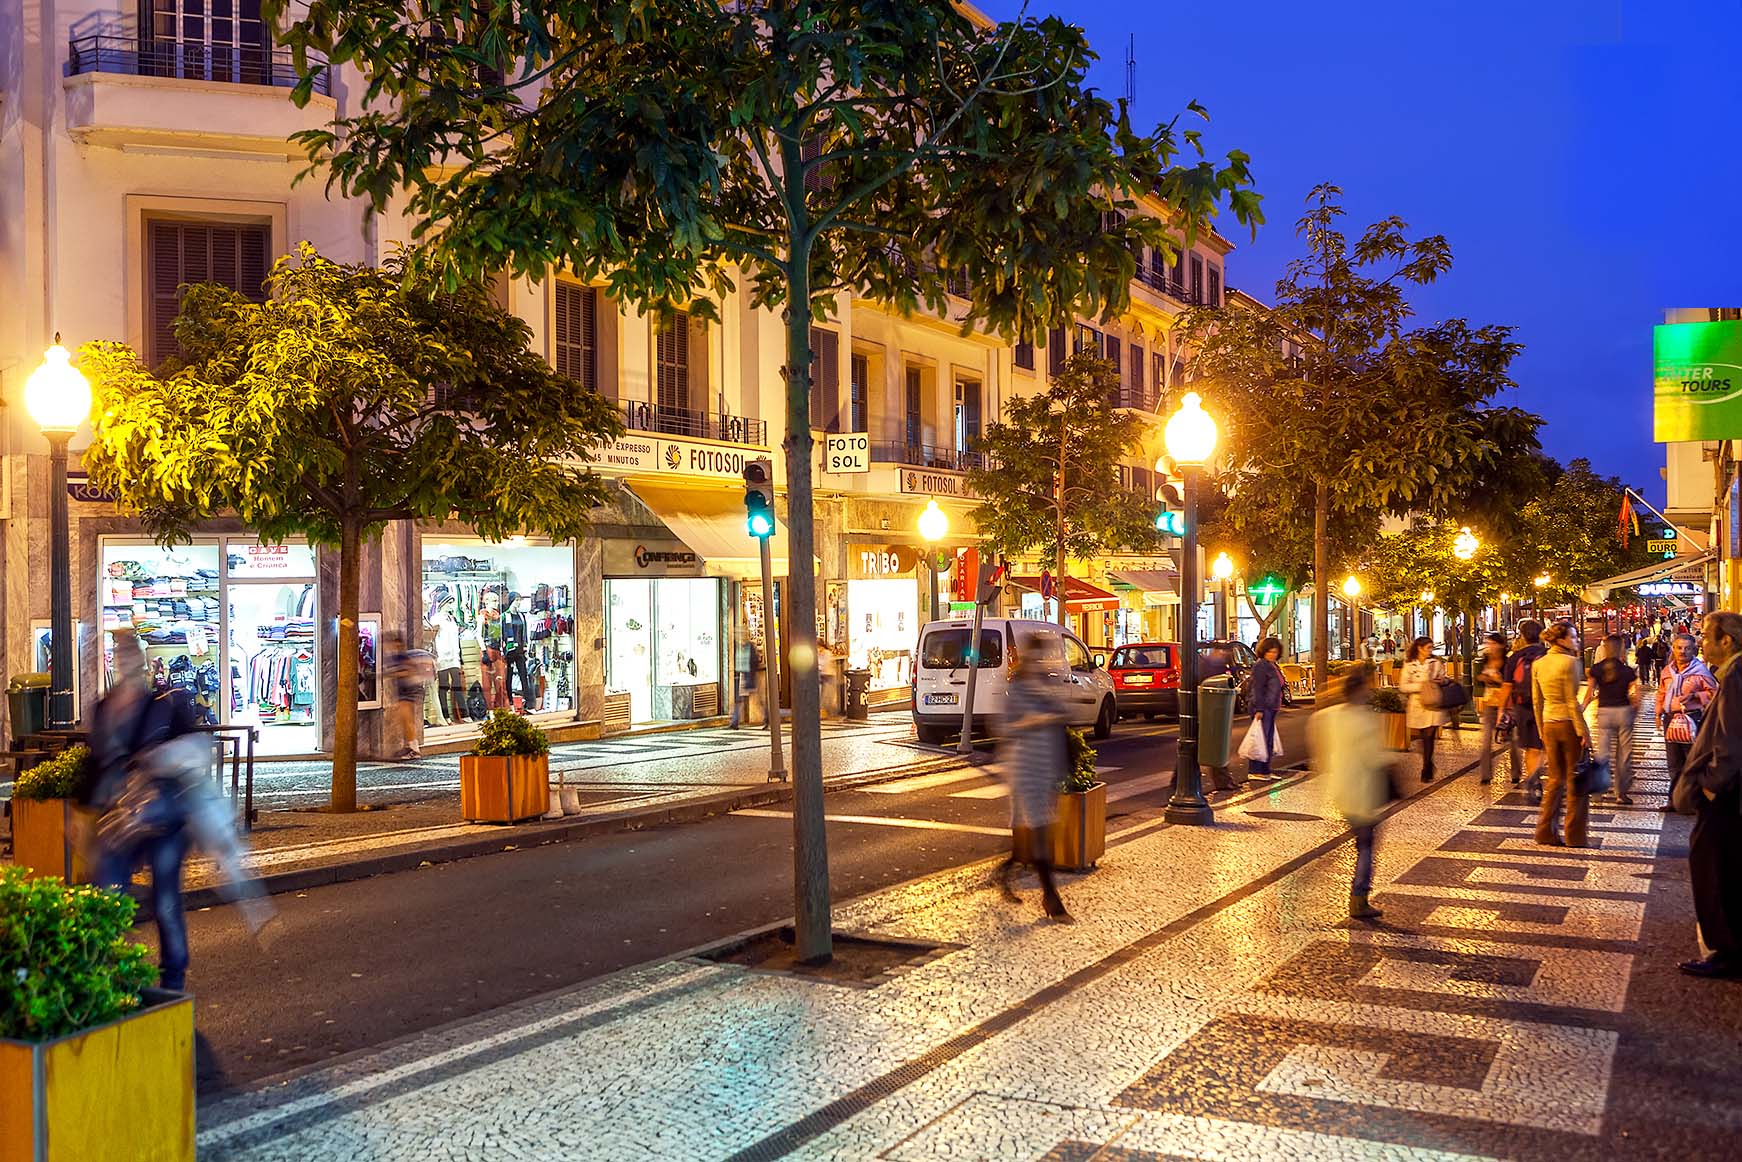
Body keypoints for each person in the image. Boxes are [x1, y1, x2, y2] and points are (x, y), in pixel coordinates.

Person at [86, 631, 203, 992]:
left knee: (166, 900)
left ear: (142, 660)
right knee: (107, 895)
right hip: (119, 816)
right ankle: (110, 973)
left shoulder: (166, 704)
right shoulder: (103, 709)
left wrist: (163, 759)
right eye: (119, 654)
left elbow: (195, 749)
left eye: (130, 653)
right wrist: (82, 813)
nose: (126, 660)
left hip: (165, 819)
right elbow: (95, 764)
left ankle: (173, 978)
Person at [1675, 612, 1742, 977]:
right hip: (1731, 792)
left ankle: (1727, 950)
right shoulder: (1731, 674)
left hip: (1727, 794)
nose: (1701, 642)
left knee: (1715, 869)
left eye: (1706, 636)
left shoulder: (1735, 676)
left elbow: (1731, 740)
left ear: (1726, 641)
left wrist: (1711, 787)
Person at [995, 631, 1071, 922]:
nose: (1039, 660)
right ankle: (1052, 899)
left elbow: (1061, 719)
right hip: (1026, 768)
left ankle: (1003, 874)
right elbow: (1003, 727)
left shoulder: (1044, 684)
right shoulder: (1015, 688)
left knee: (1032, 833)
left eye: (1043, 654)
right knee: (1040, 832)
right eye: (1037, 654)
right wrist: (1032, 721)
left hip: (1045, 767)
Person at [1312, 664, 1391, 920]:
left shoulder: (1328, 715)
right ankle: (1359, 898)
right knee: (1366, 846)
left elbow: (1319, 749)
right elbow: (1372, 757)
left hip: (1340, 787)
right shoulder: (1362, 719)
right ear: (1360, 690)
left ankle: (1356, 895)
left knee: (1362, 841)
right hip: (1362, 791)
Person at [1532, 623, 1592, 847]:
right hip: (1568, 724)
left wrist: (1541, 730)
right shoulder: (1571, 663)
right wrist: (1583, 731)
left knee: (1554, 781)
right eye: (1573, 637)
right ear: (1562, 640)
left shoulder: (1539, 663)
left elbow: (1536, 701)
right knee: (1576, 780)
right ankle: (1575, 835)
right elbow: (1571, 701)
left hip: (1548, 723)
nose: (1576, 641)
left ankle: (1545, 831)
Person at [1658, 632, 1717, 811]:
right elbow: (1661, 692)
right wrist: (1658, 713)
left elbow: (1714, 693)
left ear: (1694, 650)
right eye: (1678, 648)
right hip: (1671, 720)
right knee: (1674, 763)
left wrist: (1695, 696)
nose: (1682, 652)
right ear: (1673, 649)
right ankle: (1674, 800)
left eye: (1687, 648)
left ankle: (1693, 801)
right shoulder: (1667, 671)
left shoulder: (1701, 672)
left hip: (1692, 718)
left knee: (1691, 762)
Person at [1582, 633, 1640, 805]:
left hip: (1604, 712)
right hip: (1623, 711)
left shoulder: (1597, 669)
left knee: (1602, 754)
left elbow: (1589, 693)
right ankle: (1621, 793)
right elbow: (1635, 696)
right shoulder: (1627, 671)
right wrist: (1634, 711)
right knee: (1624, 754)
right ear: (1621, 648)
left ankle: (1597, 793)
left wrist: (1582, 708)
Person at [1500, 620, 1548, 793]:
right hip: (1543, 706)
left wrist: (1501, 710)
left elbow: (1506, 686)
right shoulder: (1546, 655)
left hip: (1522, 707)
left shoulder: (1515, 657)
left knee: (1530, 747)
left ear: (1522, 635)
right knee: (1541, 746)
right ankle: (1534, 778)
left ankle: (1532, 779)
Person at [1399, 636, 1449, 781]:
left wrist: (1442, 681)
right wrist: (1420, 686)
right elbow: (1403, 686)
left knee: (1429, 736)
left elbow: (1444, 679)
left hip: (1433, 705)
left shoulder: (1435, 663)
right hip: (1417, 705)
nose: (1430, 650)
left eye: (1431, 648)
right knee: (1423, 737)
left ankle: (1426, 769)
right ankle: (1428, 763)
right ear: (1419, 648)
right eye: (1428, 648)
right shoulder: (1409, 665)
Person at [384, 633, 436, 760]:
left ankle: (414, 749)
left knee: (407, 719)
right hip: (406, 690)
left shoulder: (402, 656)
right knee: (405, 719)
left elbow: (409, 670)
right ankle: (410, 746)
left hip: (409, 690)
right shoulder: (398, 656)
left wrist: (389, 674)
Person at [1245, 637, 1286, 779]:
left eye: (1275, 652)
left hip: (1272, 706)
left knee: (1267, 739)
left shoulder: (1273, 665)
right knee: (1260, 739)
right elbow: (1258, 689)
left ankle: (1265, 770)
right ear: (1264, 651)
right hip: (1264, 707)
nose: (1273, 654)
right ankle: (1256, 770)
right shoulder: (1261, 666)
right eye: (1270, 652)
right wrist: (1259, 709)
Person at [1475, 632, 1509, 785]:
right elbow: (1479, 679)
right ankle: (1485, 775)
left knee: (1512, 741)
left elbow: (1510, 683)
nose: (1490, 646)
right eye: (1488, 643)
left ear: (1501, 645)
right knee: (1486, 740)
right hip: (1489, 703)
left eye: (1493, 643)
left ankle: (1516, 772)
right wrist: (1484, 678)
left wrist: (1498, 679)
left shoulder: (1508, 661)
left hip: (1507, 703)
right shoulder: (1485, 660)